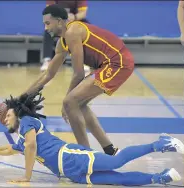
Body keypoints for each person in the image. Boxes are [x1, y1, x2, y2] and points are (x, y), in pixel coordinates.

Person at [0, 91, 184, 185]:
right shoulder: (21, 135)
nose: (7, 120)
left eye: (8, 115)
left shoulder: (27, 121)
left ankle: (161, 144)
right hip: (71, 174)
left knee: (116, 160)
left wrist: (27, 177)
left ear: (15, 112)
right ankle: (161, 178)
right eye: (4, 120)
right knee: (118, 180)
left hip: (70, 157)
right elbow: (11, 149)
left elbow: (30, 146)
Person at [18, 4, 135, 156]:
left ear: (59, 21)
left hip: (118, 62)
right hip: (107, 64)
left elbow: (78, 74)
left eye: (48, 23)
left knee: (70, 102)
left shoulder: (73, 32)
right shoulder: (62, 42)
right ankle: (110, 150)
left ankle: (86, 155)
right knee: (79, 104)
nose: (46, 28)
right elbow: (48, 75)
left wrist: (66, 101)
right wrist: (21, 98)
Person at [41, 0, 90, 72]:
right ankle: (47, 60)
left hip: (74, 19)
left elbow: (83, 13)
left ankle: (84, 61)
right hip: (58, 19)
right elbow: (49, 11)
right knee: (48, 28)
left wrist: (74, 17)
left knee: (87, 28)